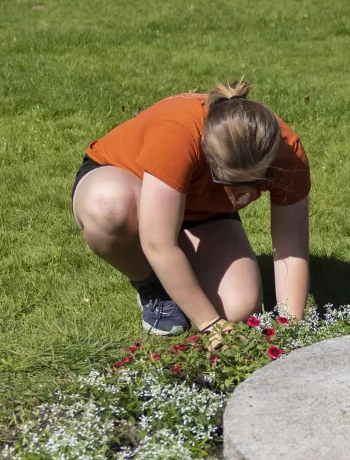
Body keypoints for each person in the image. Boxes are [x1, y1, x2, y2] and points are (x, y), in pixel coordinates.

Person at [73, 81, 311, 336]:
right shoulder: (178, 134)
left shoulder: (288, 154)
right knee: (109, 208)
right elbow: (159, 244)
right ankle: (151, 284)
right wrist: (210, 323)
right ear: (207, 154)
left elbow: (290, 250)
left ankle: (182, 268)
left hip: (201, 208)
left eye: (252, 182)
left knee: (239, 308)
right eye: (230, 182)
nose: (242, 190)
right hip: (130, 186)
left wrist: (291, 327)